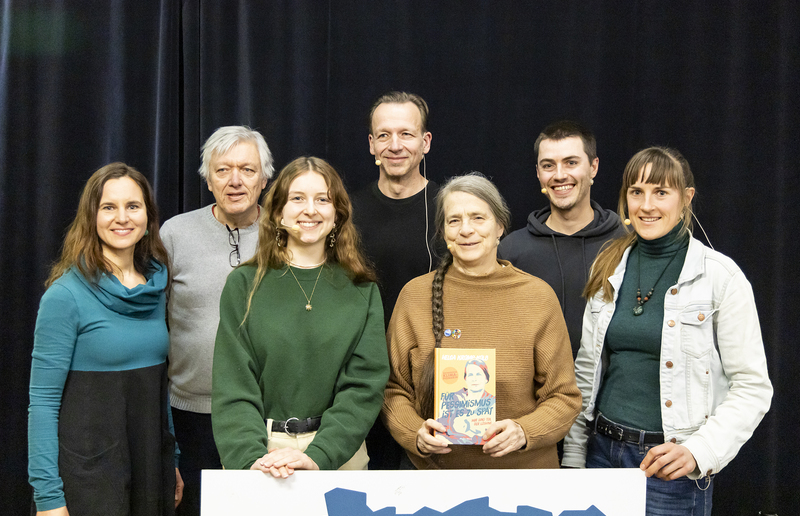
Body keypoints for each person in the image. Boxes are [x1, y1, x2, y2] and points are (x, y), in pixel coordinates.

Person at [562, 147, 773, 514]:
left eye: (661, 192)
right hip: (601, 454)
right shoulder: (608, 265)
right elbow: (587, 368)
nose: (647, 205)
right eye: (636, 192)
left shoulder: (720, 277)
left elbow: (752, 387)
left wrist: (699, 451)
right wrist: (575, 454)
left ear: (686, 198)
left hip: (668, 470)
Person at [382, 172, 581, 469]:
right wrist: (415, 433)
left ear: (500, 226)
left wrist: (524, 431)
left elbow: (564, 397)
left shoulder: (538, 297)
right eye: (454, 220)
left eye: (478, 218)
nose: (466, 230)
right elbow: (393, 390)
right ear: (442, 232)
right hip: (435, 479)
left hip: (523, 477)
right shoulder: (415, 296)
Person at [211, 156, 390, 477]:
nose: (310, 210)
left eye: (322, 199)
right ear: (278, 212)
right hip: (260, 457)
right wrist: (250, 458)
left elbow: (364, 387)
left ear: (337, 214)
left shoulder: (362, 289)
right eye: (297, 198)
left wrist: (320, 455)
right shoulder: (243, 285)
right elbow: (233, 386)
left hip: (339, 456)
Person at [28, 163, 181, 515]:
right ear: (91, 217)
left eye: (133, 206)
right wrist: (49, 498)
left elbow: (158, 385)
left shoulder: (156, 289)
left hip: (149, 471)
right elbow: (43, 403)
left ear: (147, 216)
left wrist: (170, 459)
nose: (122, 218)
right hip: (87, 479)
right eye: (109, 207)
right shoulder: (65, 295)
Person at [160, 126, 273, 516]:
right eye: (223, 170)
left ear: (264, 178)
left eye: (247, 169)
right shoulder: (175, 234)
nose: (235, 180)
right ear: (208, 180)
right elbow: (154, 321)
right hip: (190, 416)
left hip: (266, 416)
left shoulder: (287, 234)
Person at [351, 90, 442, 470]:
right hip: (360, 379)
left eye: (406, 134)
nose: (395, 145)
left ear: (425, 142)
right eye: (384, 135)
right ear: (372, 144)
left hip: (432, 380)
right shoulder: (346, 212)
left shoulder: (451, 209)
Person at [499, 121, 624, 359]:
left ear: (593, 167)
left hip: (610, 382)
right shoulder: (511, 250)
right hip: (535, 382)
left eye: (571, 163)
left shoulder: (624, 244)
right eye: (548, 165)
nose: (559, 175)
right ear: (538, 173)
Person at [435, 359, 496, 445]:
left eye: (478, 374)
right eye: (470, 375)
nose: (474, 379)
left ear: (486, 378)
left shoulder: (492, 402)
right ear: (465, 379)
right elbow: (439, 431)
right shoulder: (451, 399)